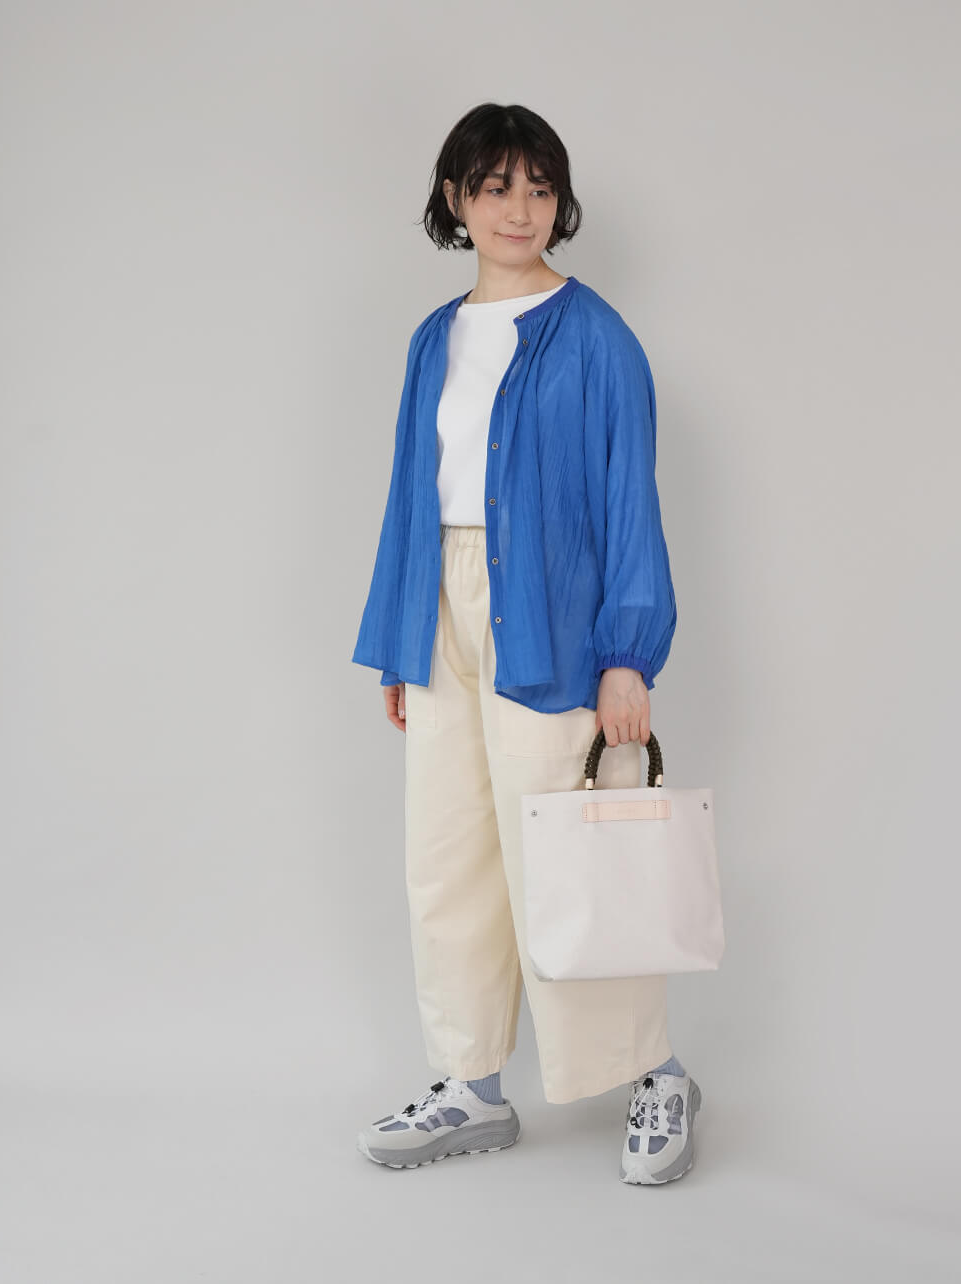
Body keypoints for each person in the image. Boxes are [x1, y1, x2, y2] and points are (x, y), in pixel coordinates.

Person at [350, 103, 701, 1185]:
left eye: (540, 188)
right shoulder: (433, 338)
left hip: (550, 614)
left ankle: (656, 1075)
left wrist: (627, 653)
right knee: (446, 858)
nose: (520, 209)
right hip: (443, 614)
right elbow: (413, 494)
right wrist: (402, 637)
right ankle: (471, 1084)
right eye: (497, 186)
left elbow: (628, 500)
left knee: (569, 861)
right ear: (455, 198)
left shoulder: (597, 338)